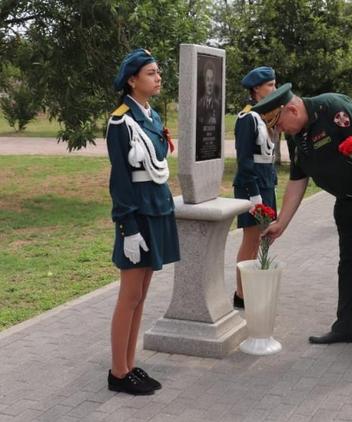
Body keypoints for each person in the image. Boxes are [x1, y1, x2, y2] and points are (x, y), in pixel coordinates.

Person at [254, 84, 352, 353]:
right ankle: (348, 326)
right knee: (350, 264)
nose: (280, 131)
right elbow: (298, 181)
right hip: (346, 201)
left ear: (293, 109)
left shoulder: (332, 106)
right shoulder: (297, 133)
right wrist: (281, 224)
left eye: (279, 124)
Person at [106, 48, 180, 395]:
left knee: (141, 296)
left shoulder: (150, 116)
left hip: (156, 210)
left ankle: (130, 364)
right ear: (132, 80)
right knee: (129, 295)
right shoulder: (121, 122)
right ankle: (117, 372)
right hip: (136, 216)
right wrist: (128, 228)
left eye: (158, 71)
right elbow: (120, 182)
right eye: (151, 73)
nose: (158, 77)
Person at [232, 66, 278, 308]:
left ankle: (253, 284)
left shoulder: (265, 115)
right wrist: (254, 195)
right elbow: (245, 160)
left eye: (274, 84)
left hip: (266, 182)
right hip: (252, 186)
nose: (274, 89)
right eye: (269, 85)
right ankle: (241, 293)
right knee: (251, 239)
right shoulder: (247, 118)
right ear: (256, 89)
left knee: (264, 237)